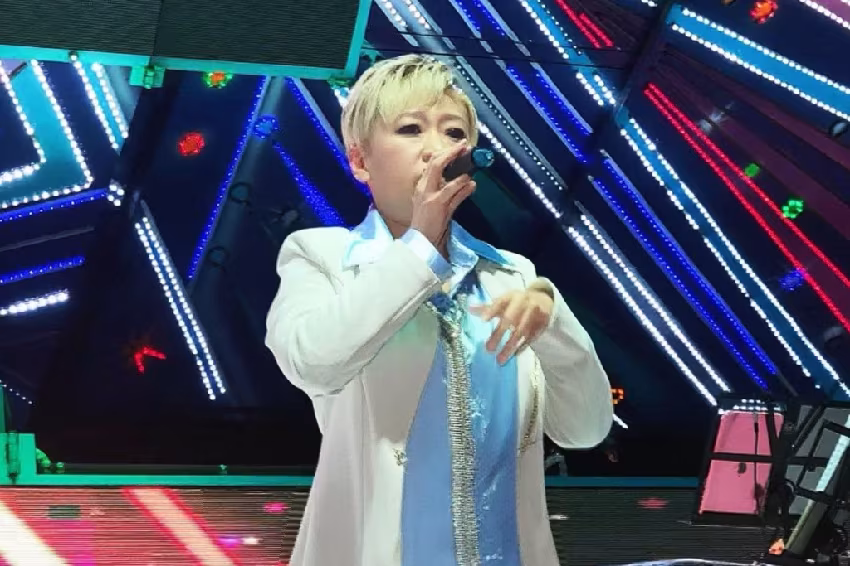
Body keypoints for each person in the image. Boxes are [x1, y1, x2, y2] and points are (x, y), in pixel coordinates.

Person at [265, 54, 613, 566]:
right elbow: (312, 362)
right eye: (411, 129)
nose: (438, 148)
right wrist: (420, 247)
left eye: (454, 133)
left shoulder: (512, 276)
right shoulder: (322, 256)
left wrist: (553, 321)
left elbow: (585, 430)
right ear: (360, 161)